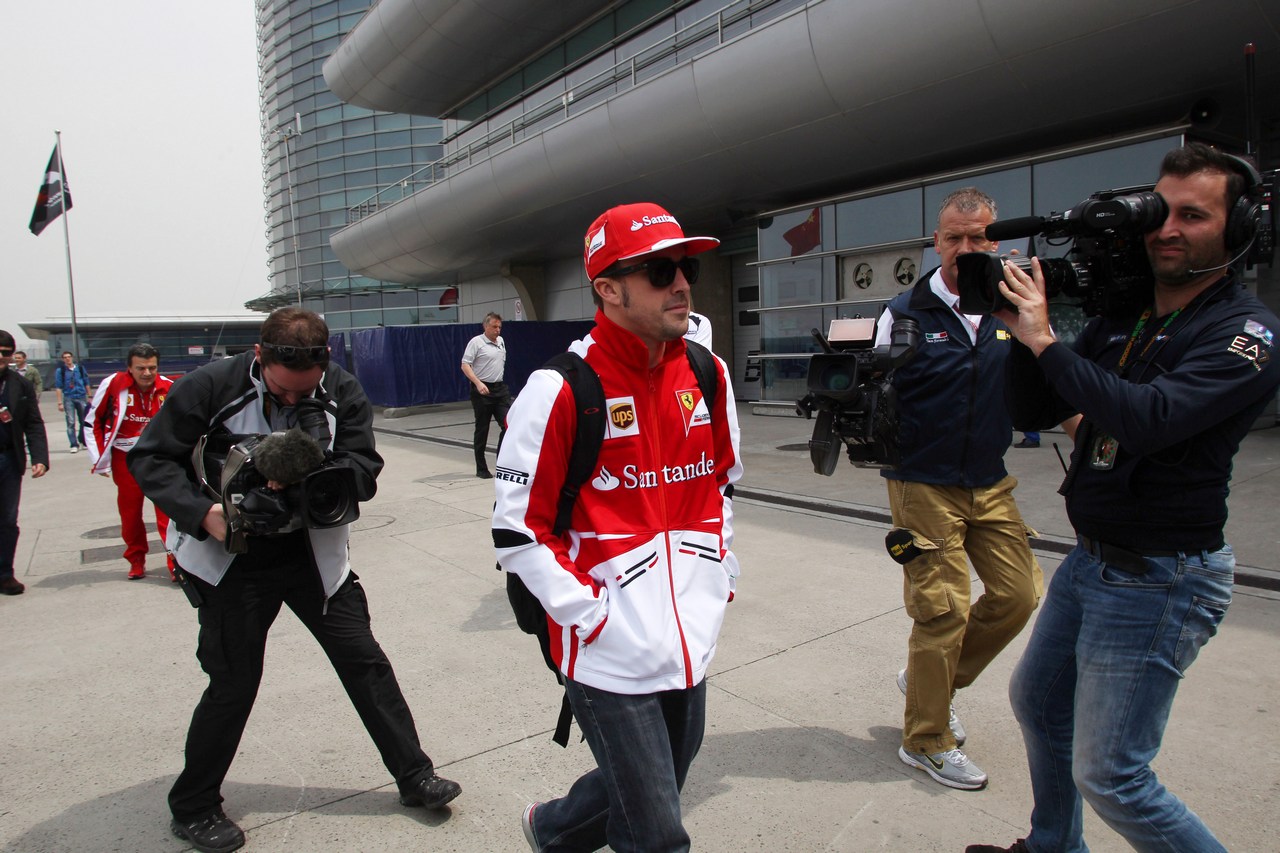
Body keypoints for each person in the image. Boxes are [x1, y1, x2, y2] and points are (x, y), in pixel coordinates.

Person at [967, 143, 1280, 853]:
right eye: (1160, 212)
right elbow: (1036, 404)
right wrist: (1022, 336)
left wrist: (1048, 339)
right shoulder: (1128, 314)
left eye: (1193, 216)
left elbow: (1148, 420)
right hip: (1095, 559)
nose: (1166, 228)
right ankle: (1053, 844)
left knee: (1113, 774)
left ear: (1238, 232)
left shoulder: (1246, 334)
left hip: (1162, 575)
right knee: (1040, 703)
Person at [128, 308, 460, 853]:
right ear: (260, 356)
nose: (290, 401)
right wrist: (206, 514)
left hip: (314, 553)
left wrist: (317, 476)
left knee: (366, 662)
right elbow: (152, 459)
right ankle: (193, 806)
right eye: (282, 391)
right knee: (234, 682)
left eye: (302, 393)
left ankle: (414, 777)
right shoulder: (209, 386)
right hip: (230, 555)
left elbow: (364, 464)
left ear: (325, 363)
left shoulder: (342, 388)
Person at [494, 202, 742, 852]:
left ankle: (552, 828)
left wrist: (719, 578)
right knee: (658, 833)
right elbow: (519, 530)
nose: (682, 283)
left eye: (684, 267)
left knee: (655, 785)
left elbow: (722, 484)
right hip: (605, 651)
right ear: (607, 288)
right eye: (660, 271)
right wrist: (591, 615)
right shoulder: (558, 389)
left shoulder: (708, 376)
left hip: (689, 636)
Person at [874, 187, 1042, 791]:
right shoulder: (906, 310)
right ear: (936, 241)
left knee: (1020, 594)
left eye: (978, 238)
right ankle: (925, 738)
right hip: (923, 483)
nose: (965, 248)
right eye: (954, 238)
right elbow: (875, 395)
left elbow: (1042, 378)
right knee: (942, 612)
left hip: (990, 481)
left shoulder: (1011, 306)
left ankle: (932, 683)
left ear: (994, 242)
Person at [84, 343, 176, 580]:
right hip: (125, 459)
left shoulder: (169, 387)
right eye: (141, 368)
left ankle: (176, 562)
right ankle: (136, 559)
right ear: (129, 368)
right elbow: (92, 420)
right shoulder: (113, 384)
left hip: (158, 458)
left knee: (168, 513)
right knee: (130, 514)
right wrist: (99, 459)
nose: (147, 373)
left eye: (152, 368)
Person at [0, 332, 49, 597]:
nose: (1, 356)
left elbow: (33, 422)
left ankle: (5, 574)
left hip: (8, 459)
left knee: (7, 520)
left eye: (6, 352)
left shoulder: (19, 384)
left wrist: (39, 457)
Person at [460, 312, 511, 479]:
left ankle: (502, 462)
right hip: (482, 390)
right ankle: (481, 468)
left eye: (499, 327)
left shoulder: (501, 342)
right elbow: (465, 365)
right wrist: (478, 382)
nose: (498, 330)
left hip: (499, 389)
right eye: (494, 327)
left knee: (508, 424)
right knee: (483, 428)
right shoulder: (476, 342)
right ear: (485, 326)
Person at [53, 350, 90, 454]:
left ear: (72, 358)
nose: (67, 359)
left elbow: (86, 382)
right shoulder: (61, 371)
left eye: (69, 357)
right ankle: (73, 444)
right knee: (71, 422)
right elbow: (58, 387)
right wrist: (59, 402)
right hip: (69, 397)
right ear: (63, 359)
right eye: (65, 357)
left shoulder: (80, 369)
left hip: (81, 396)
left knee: (84, 421)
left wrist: (89, 395)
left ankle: (83, 440)